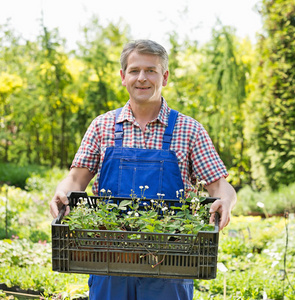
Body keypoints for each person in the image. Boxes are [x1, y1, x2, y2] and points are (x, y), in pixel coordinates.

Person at [49, 39, 237, 300]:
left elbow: (218, 186)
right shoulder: (102, 126)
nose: (142, 78)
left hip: (172, 261)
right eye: (134, 70)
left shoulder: (189, 129)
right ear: (123, 77)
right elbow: (75, 179)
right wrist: (62, 192)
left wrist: (226, 200)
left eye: (151, 70)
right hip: (108, 257)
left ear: (165, 76)